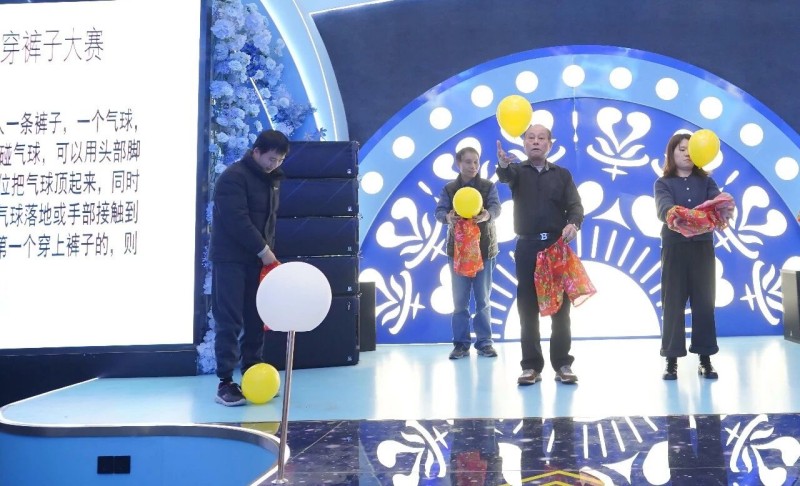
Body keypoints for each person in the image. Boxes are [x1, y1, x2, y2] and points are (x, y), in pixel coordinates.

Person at [496, 124, 584, 385]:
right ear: (524, 143)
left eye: (541, 138)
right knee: (527, 308)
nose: (535, 141)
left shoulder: (562, 174)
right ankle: (531, 367)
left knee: (561, 309)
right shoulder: (517, 172)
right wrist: (502, 165)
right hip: (527, 248)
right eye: (531, 138)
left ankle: (563, 364)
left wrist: (573, 224)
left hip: (556, 248)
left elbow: (575, 206)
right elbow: (504, 175)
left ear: (550, 144)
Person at [210, 129, 288, 405]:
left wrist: (265, 252)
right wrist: (265, 251)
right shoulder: (233, 177)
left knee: (256, 318)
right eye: (270, 159)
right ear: (256, 151)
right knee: (229, 320)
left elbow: (268, 223)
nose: (274, 165)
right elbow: (237, 220)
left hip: (257, 261)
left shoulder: (271, 180)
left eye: (279, 160)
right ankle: (225, 382)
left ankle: (253, 372)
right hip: (230, 260)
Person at [655, 132, 726, 380]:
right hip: (674, 247)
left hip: (702, 248)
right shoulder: (663, 183)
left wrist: (722, 210)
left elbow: (718, 205)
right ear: (671, 153)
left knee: (704, 303)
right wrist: (692, 216)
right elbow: (664, 209)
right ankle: (671, 360)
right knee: (673, 303)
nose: (686, 153)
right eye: (681, 149)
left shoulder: (707, 182)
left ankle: (705, 359)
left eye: (690, 149)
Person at [435, 147, 501, 359]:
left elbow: (496, 209)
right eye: (468, 162)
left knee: (483, 300)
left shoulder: (488, 186)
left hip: (484, 251)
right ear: (458, 163)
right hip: (458, 253)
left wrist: (487, 215)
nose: (473, 166)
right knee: (459, 302)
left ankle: (485, 343)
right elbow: (439, 212)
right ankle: (461, 344)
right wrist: (448, 217)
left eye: (476, 162)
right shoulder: (449, 189)